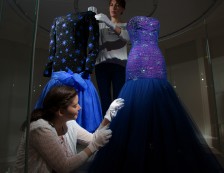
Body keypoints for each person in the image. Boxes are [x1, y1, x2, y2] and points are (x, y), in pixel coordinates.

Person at [88, 16, 224, 173]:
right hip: (139, 61)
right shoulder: (135, 23)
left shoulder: (139, 22)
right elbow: (124, 34)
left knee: (158, 109)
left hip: (153, 62)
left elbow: (123, 32)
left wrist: (107, 22)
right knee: (140, 108)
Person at [13, 85, 124, 173]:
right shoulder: (40, 129)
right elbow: (64, 167)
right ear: (61, 111)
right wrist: (94, 146)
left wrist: (108, 116)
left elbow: (94, 138)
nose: (80, 107)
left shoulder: (69, 124)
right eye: (75, 106)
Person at [36, 8, 102, 133]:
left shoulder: (88, 17)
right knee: (50, 124)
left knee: (78, 122)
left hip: (77, 75)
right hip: (62, 75)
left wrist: (88, 68)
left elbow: (93, 46)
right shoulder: (57, 21)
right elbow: (53, 48)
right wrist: (49, 68)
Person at [91, 0, 130, 115]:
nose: (114, 8)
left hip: (120, 66)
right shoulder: (100, 25)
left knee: (118, 98)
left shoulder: (126, 26)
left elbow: (127, 38)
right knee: (104, 98)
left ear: (122, 9)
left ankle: (118, 127)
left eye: (117, 5)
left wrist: (108, 22)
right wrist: (89, 19)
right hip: (102, 66)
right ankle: (106, 127)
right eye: (111, 5)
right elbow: (90, 37)